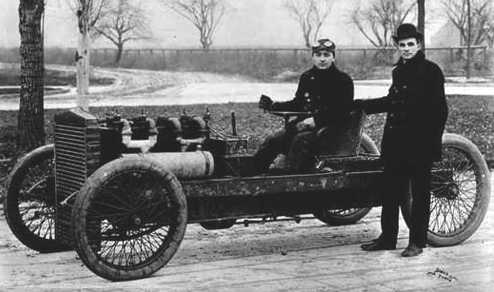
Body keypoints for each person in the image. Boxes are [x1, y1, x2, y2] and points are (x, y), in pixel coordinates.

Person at [356, 23, 448, 257]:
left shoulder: (431, 71)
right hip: (396, 142)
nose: (406, 49)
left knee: (419, 195)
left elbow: (440, 112)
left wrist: (431, 144)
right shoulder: (398, 72)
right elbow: (392, 101)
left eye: (410, 44)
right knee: (391, 191)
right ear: (397, 46)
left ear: (418, 45)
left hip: (419, 145)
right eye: (402, 45)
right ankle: (388, 238)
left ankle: (417, 242)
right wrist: (363, 106)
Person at [254, 38, 354, 173]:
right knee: (273, 140)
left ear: (333, 58)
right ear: (313, 57)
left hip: (331, 132)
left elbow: (342, 111)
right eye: (318, 55)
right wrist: (273, 106)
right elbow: (298, 103)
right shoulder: (307, 77)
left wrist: (316, 120)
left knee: (300, 141)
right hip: (305, 128)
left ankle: (288, 180)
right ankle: (250, 176)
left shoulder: (343, 80)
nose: (322, 59)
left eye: (326, 55)